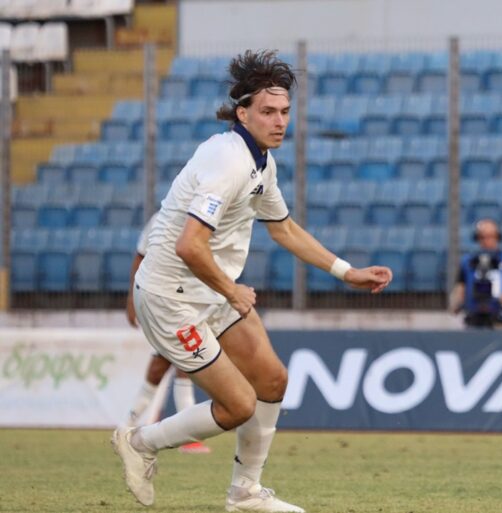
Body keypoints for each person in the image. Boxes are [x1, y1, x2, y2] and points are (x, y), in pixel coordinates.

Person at [111, 49, 393, 513]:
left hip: (207, 289)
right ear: (242, 113)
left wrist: (347, 272)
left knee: (273, 380)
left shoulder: (261, 162)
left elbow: (284, 229)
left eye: (284, 111)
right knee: (238, 405)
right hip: (169, 298)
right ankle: (139, 441)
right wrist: (232, 290)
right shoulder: (228, 161)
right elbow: (189, 245)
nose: (279, 121)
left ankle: (245, 493)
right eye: (268, 111)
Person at [125, 213, 210, 454]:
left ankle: (128, 426)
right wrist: (131, 299)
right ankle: (185, 434)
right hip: (166, 299)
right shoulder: (162, 217)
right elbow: (140, 256)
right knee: (175, 365)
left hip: (192, 300)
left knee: (165, 366)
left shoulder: (208, 214)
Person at [449, 218, 502, 328]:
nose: (486, 240)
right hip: (473, 320)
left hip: (500, 320)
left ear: (498, 237)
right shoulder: (468, 262)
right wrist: (457, 303)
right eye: (482, 237)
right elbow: (460, 289)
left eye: (491, 236)